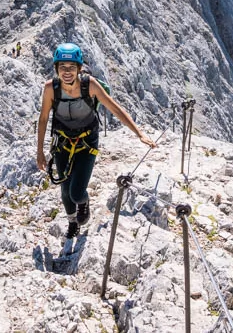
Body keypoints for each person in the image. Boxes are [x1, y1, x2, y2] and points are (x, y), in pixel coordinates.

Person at [36, 42, 156, 240]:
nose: (67, 72)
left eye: (71, 68)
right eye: (62, 68)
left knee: (76, 193)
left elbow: (115, 108)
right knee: (65, 191)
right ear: (57, 69)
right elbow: (43, 119)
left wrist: (139, 134)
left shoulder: (89, 85)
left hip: (86, 143)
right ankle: (72, 222)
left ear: (79, 68)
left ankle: (84, 202)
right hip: (62, 143)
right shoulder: (51, 88)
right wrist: (40, 152)